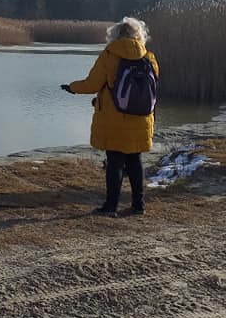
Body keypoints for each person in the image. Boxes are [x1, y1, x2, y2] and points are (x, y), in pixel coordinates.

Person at [61, 17, 158, 217]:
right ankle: (138, 205)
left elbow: (92, 84)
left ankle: (110, 206)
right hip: (141, 118)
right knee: (135, 160)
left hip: (115, 118)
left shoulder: (109, 56)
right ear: (138, 35)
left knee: (115, 162)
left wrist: (72, 88)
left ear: (114, 36)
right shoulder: (149, 57)